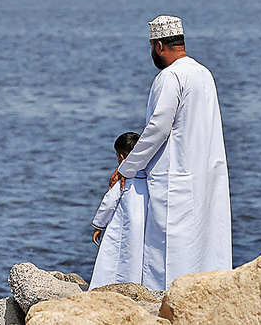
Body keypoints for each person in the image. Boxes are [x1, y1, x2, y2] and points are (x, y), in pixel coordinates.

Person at [109, 15, 232, 291]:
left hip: (175, 178)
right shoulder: (204, 73)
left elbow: (157, 129)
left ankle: (165, 306)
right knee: (204, 241)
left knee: (168, 250)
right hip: (206, 174)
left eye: (152, 46)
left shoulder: (169, 76)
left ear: (159, 46)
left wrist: (127, 168)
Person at [89, 132, 148, 289]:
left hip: (125, 223)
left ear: (122, 157)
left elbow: (109, 203)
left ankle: (107, 285)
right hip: (145, 224)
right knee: (138, 257)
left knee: (116, 255)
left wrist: (99, 225)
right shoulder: (151, 177)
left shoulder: (123, 179)